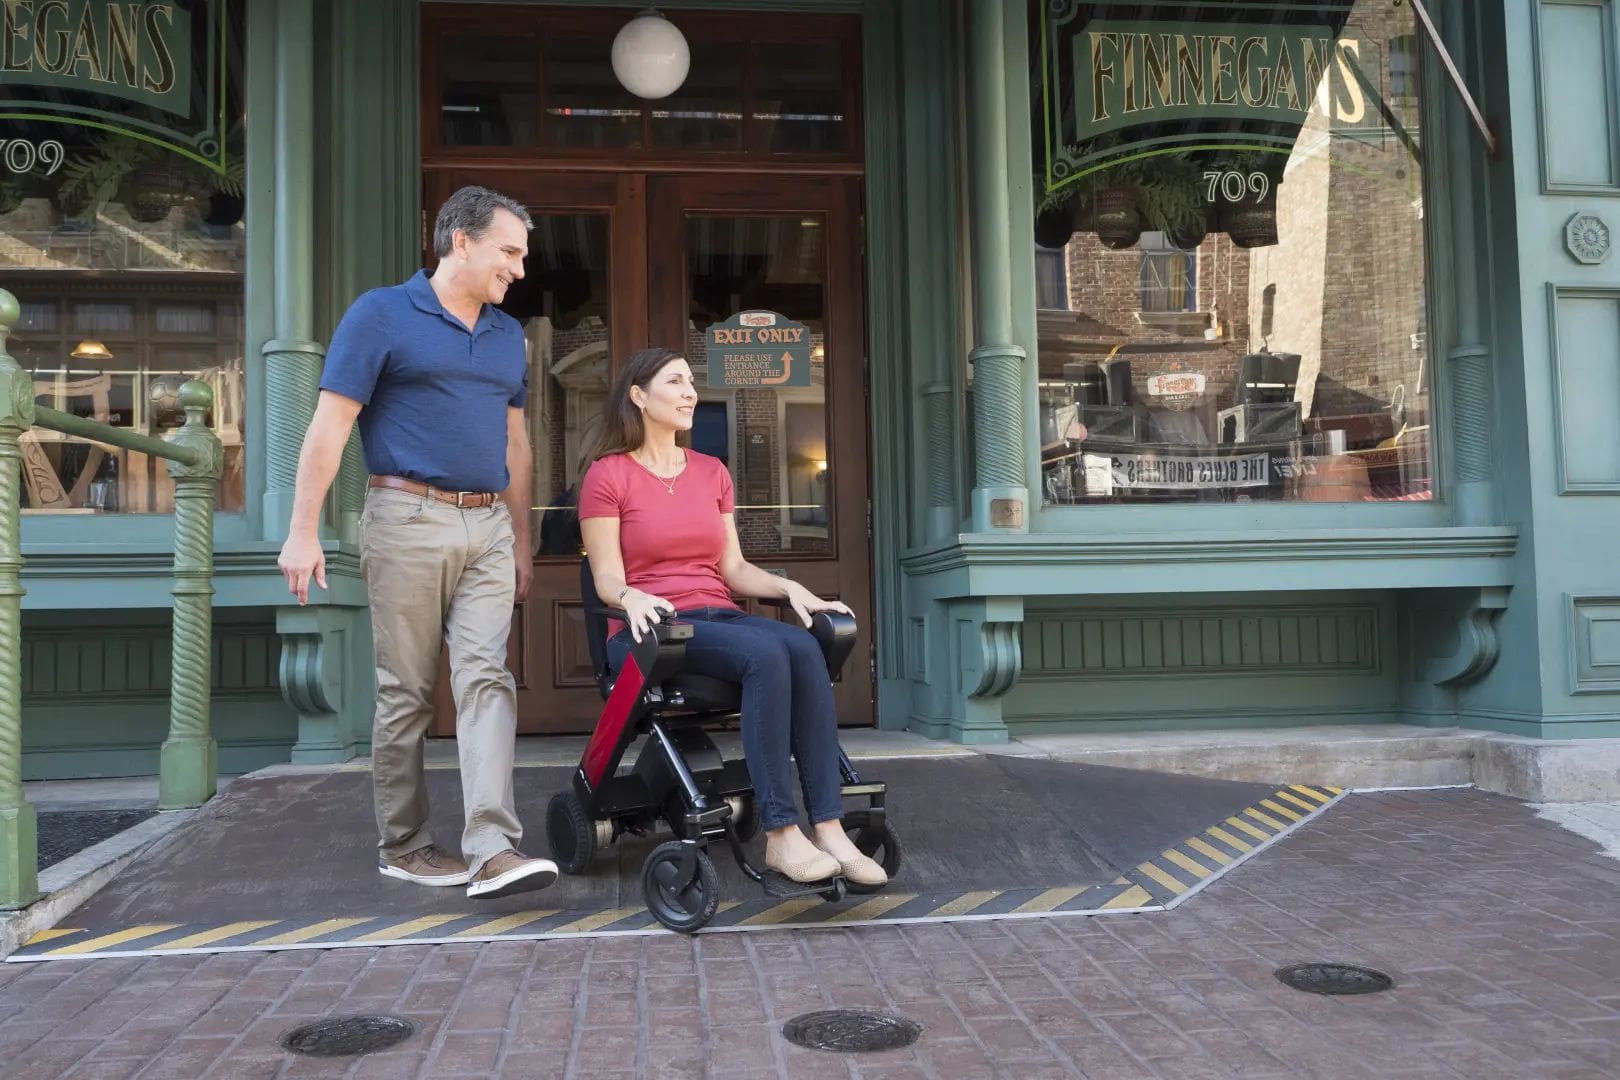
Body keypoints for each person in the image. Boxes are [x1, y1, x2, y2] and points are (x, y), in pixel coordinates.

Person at [276, 185, 557, 900]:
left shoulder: (506, 336)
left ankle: (493, 846)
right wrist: (303, 530)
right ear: (459, 241)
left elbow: (516, 445)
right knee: (407, 694)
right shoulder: (382, 314)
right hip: (406, 517)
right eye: (509, 252)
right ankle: (404, 844)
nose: (519, 270)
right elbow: (331, 424)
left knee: (486, 678)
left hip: (488, 524)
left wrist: (521, 540)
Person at [578, 347, 887, 888]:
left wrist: (792, 589)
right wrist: (631, 598)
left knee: (804, 647)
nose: (690, 391)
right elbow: (605, 577)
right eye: (675, 382)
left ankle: (830, 827)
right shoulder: (608, 476)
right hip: (651, 633)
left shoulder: (711, 472)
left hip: (716, 617)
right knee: (767, 653)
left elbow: (734, 567)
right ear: (638, 397)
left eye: (691, 381)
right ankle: (780, 834)